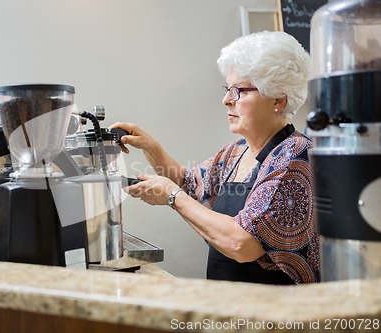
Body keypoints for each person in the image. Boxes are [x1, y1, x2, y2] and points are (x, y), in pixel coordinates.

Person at [111, 31, 320, 284]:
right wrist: (151, 148)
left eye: (239, 91)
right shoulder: (236, 151)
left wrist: (171, 197)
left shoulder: (293, 158)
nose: (226, 100)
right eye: (227, 89)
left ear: (278, 99)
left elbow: (242, 243)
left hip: (275, 312)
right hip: (229, 303)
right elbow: (188, 183)